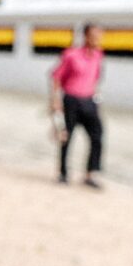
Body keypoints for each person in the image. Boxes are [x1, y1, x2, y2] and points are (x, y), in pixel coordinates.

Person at [51, 23, 105, 188]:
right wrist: (55, 101)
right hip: (71, 101)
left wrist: (96, 98)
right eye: (93, 35)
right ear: (86, 36)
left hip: (89, 101)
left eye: (99, 35)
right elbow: (57, 77)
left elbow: (96, 78)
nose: (97, 38)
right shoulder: (71, 55)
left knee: (97, 136)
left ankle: (90, 174)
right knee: (66, 137)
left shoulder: (98, 56)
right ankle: (63, 173)